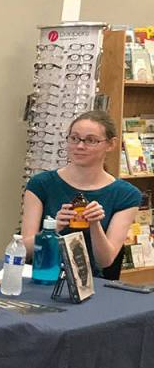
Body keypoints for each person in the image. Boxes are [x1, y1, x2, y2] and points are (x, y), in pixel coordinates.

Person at [22, 110, 140, 279]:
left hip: (90, 284)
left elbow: (105, 261)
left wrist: (94, 224)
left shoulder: (126, 195)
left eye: (91, 140)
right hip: (43, 277)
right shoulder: (40, 184)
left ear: (111, 144)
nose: (80, 146)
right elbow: (24, 249)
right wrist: (53, 228)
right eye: (74, 138)